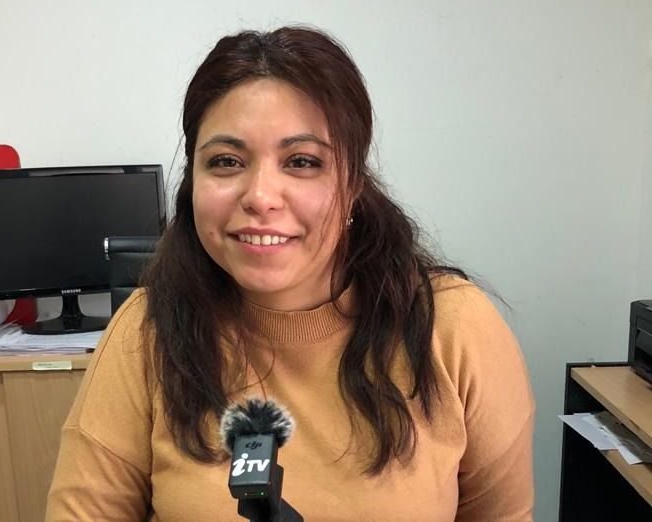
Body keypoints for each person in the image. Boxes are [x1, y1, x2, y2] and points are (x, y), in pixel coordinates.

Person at [46, 26, 534, 521]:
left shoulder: (455, 328)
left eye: (302, 161)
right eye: (226, 161)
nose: (260, 196)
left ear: (353, 185)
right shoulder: (146, 331)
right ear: (193, 180)